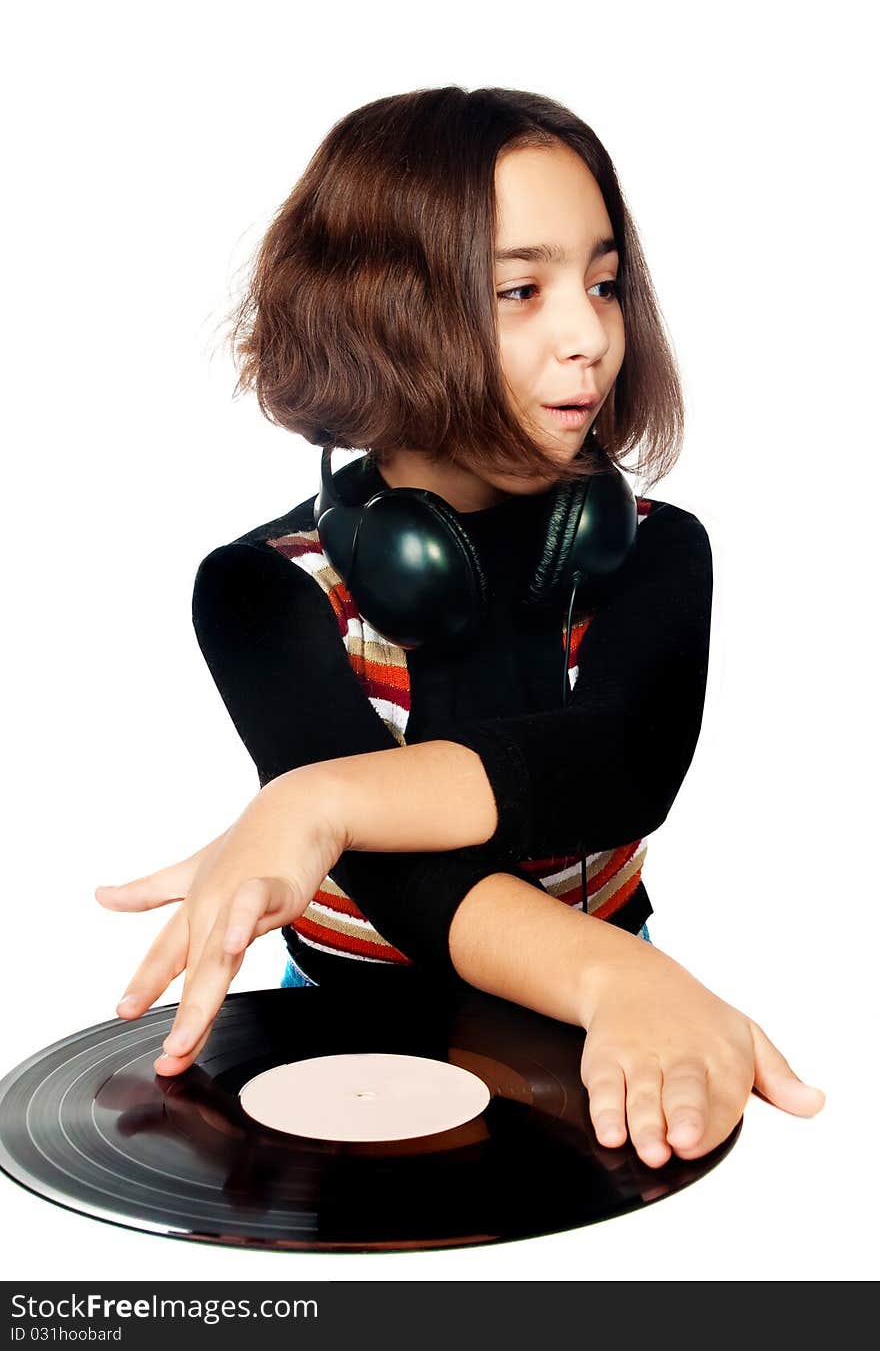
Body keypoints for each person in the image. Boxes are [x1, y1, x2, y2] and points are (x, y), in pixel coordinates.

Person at [96, 85, 825, 1170]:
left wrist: (323, 798)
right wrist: (609, 969)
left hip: (612, 1003)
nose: (588, 333)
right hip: (353, 1021)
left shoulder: (660, 549)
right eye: (521, 289)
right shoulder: (262, 588)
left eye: (603, 281)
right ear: (381, 314)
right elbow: (401, 884)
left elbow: (618, 763)